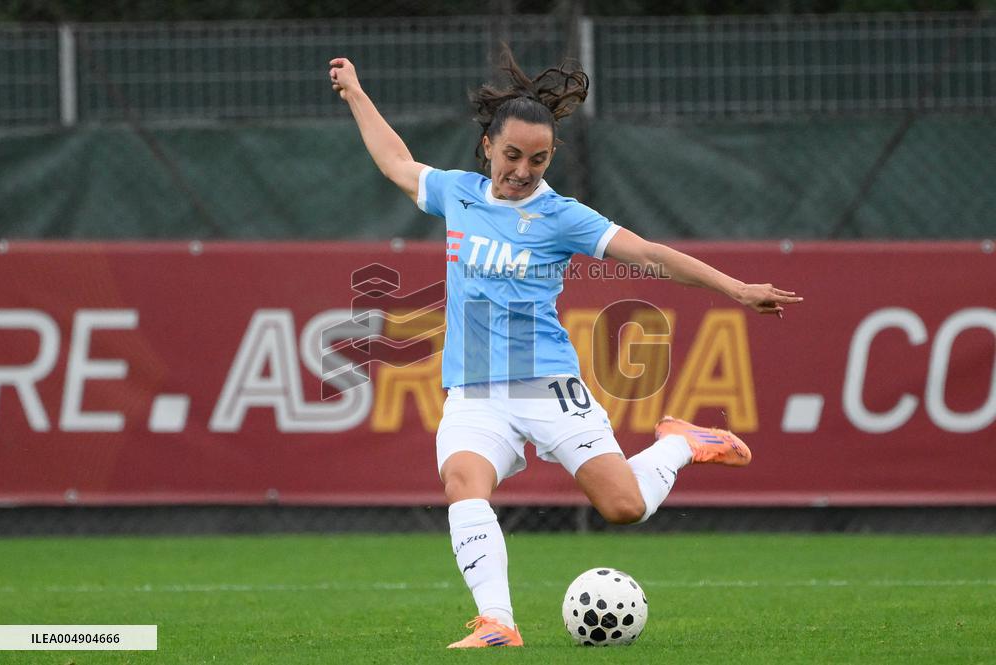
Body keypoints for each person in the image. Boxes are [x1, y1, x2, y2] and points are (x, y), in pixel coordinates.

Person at [329, 47, 802, 649]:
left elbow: (652, 256)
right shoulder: (457, 194)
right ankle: (497, 622)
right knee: (462, 482)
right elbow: (396, 160)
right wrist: (356, 94)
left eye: (539, 158)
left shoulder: (563, 216)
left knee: (624, 507)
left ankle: (682, 443)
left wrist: (735, 288)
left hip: (547, 386)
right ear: (487, 149)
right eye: (512, 155)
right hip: (474, 392)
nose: (523, 170)